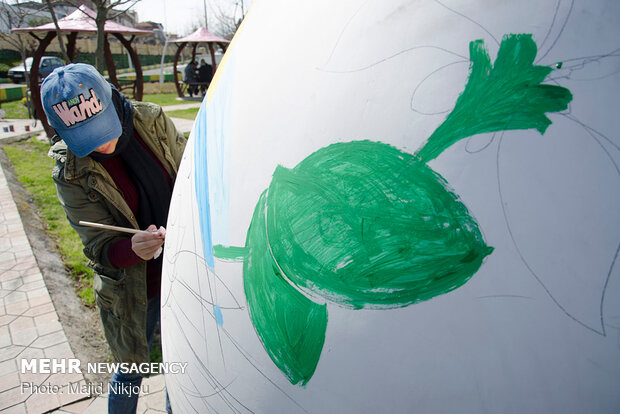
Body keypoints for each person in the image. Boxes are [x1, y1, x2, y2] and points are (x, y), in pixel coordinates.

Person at [41, 63, 186, 414]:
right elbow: (98, 247)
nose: (103, 145)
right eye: (86, 138)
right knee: (130, 370)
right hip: (134, 288)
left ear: (111, 99)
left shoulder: (149, 121)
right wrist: (131, 249)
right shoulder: (70, 171)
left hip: (185, 266)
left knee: (183, 366)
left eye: (103, 127)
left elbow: (191, 175)